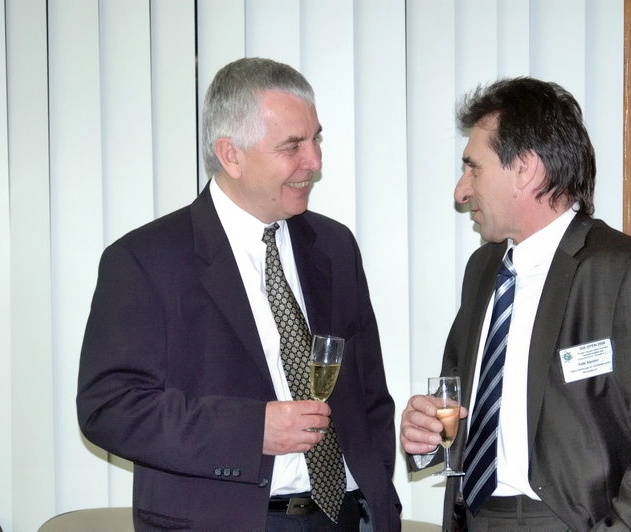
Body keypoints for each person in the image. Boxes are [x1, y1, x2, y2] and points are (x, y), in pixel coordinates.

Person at [77, 57, 401, 531]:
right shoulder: (145, 260)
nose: (314, 161)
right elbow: (110, 408)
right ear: (231, 155)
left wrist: (378, 496)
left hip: (347, 516)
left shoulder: (334, 245)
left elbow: (369, 394)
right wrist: (253, 431)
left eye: (316, 139)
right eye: (292, 146)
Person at [400, 77, 631, 531]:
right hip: (477, 517)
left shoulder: (625, 272)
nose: (461, 192)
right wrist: (425, 437)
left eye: (474, 169)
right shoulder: (483, 269)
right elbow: (464, 404)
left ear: (525, 170)